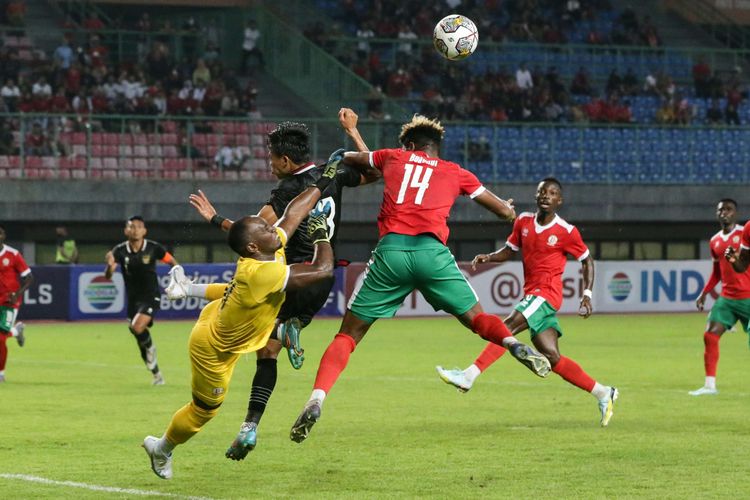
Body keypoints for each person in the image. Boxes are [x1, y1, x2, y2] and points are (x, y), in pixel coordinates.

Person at [289, 115, 551, 444]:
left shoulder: (393, 156)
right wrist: (508, 208)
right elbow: (504, 212)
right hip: (433, 255)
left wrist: (352, 133)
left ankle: (317, 398)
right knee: (478, 318)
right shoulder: (456, 172)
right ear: (435, 147)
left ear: (410, 146)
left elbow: (352, 159)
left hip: (392, 253)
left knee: (348, 336)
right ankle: (512, 343)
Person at [169, 111, 374, 460]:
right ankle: (285, 333)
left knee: (256, 332)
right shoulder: (333, 173)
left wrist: (216, 219)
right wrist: (353, 132)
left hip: (289, 278)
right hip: (321, 276)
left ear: (286, 159)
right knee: (269, 343)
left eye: (271, 159)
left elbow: (252, 234)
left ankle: (251, 423)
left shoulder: (287, 191)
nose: (269, 165)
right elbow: (374, 172)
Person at [142, 156, 340, 480]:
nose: (270, 226)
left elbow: (293, 213)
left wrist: (321, 183)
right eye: (263, 227)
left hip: (226, 317)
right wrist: (321, 236)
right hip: (213, 350)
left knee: (258, 319)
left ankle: (279, 329)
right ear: (252, 245)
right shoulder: (263, 271)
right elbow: (323, 270)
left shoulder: (266, 249)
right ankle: (161, 447)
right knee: (204, 411)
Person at [435, 178, 619, 427]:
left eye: (552, 193)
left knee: (506, 328)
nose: (546, 196)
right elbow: (510, 250)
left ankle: (469, 375)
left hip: (546, 295)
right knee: (552, 357)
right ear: (536, 196)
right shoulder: (522, 221)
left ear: (559, 201)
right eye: (543, 191)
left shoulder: (566, 231)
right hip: (532, 295)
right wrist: (490, 257)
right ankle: (603, 392)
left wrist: (587, 294)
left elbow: (587, 260)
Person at [104, 216, 178, 385]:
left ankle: (151, 348)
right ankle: (157, 375)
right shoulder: (119, 251)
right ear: (126, 231)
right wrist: (109, 265)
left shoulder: (154, 248)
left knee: (137, 327)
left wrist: (177, 278)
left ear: (144, 231)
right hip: (133, 300)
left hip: (151, 296)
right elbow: (108, 275)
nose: (135, 229)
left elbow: (171, 261)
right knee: (139, 337)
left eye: (139, 227)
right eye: (132, 227)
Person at [697, 199, 750, 395]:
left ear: (735, 213)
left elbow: (743, 264)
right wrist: (704, 293)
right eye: (721, 210)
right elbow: (717, 272)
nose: (724, 213)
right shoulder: (715, 241)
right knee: (710, 335)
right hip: (727, 298)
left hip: (748, 296)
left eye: (728, 209)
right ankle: (709, 386)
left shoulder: (744, 233)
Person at [0, 224, 32, 382]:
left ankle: (1, 374)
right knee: (2, 336)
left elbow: (29, 278)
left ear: (3, 236)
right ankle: (17, 332)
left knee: (0, 338)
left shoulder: (13, 254)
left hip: (9, 302)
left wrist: (17, 294)